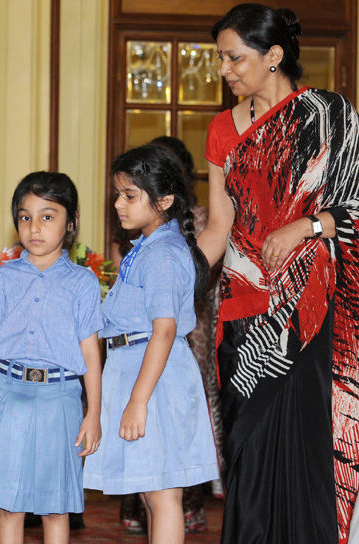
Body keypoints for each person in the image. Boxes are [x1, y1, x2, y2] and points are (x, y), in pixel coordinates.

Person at [198, 4, 359, 543]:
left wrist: (306, 226)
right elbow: (219, 226)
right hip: (244, 306)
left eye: (234, 57)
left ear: (273, 56)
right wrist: (177, 273)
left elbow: (355, 204)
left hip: (313, 308)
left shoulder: (330, 115)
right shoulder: (223, 128)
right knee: (248, 448)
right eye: (220, 57)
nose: (224, 69)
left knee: (306, 450)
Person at [83, 144, 219, 544]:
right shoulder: (146, 246)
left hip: (152, 376)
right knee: (151, 489)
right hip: (136, 366)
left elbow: (163, 330)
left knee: (162, 492)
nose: (118, 204)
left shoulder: (162, 254)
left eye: (129, 196)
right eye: (118, 194)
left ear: (164, 200)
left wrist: (138, 400)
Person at [0, 171, 104, 544]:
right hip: (8, 393)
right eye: (25, 217)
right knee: (9, 504)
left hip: (60, 399)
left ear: (70, 223)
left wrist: (94, 414)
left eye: (47, 216)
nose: (34, 227)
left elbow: (90, 350)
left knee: (55, 507)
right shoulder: (5, 278)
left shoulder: (83, 282)